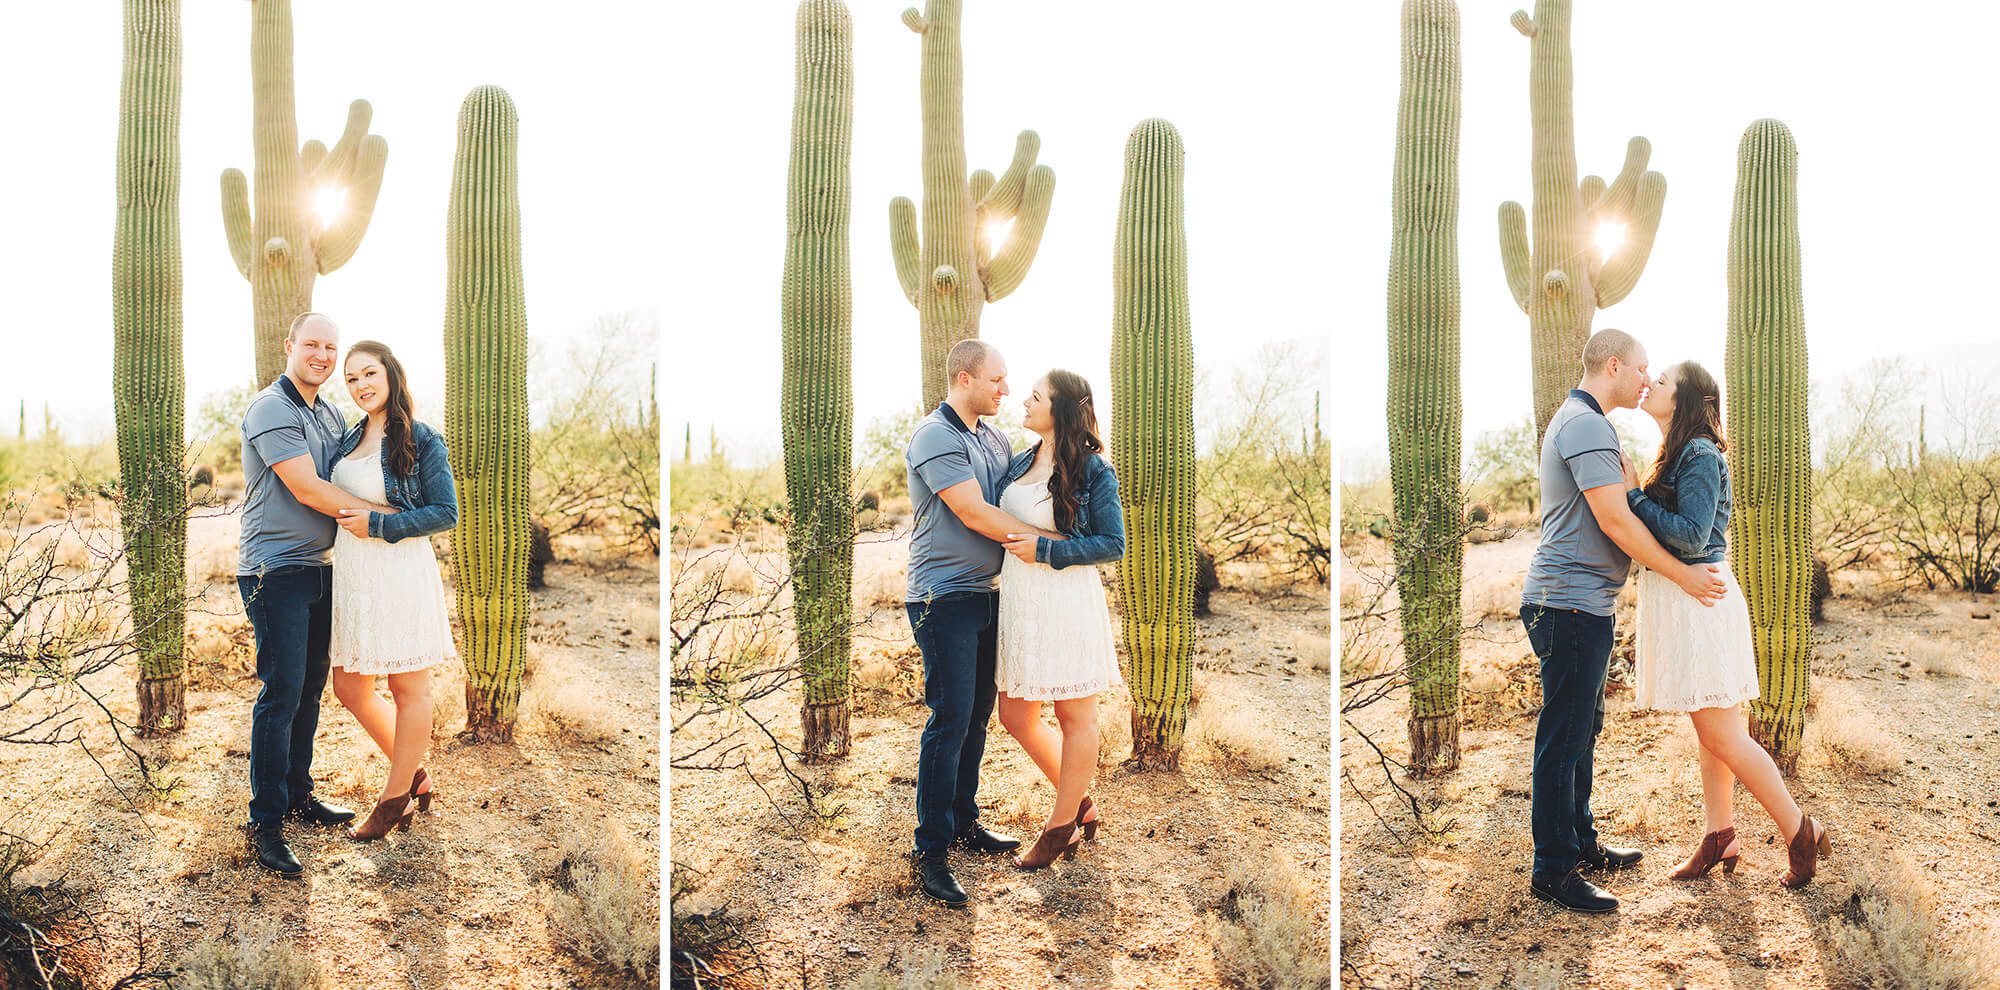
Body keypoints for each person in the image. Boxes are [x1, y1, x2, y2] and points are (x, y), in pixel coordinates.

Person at [1519, 328, 1727, 914]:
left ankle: (1580, 841)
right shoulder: (1585, 425)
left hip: (1583, 603)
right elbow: (1616, 521)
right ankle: (1553, 870)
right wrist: (1684, 574)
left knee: (1581, 730)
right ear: (1614, 365)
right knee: (1563, 737)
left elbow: (1620, 514)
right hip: (1569, 603)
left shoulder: (1585, 421)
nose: (1646, 379)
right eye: (1641, 369)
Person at [1624, 360, 1830, 887]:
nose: (1652, 384)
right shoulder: (1679, 452)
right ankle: (1721, 836)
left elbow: (1691, 537)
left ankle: (1800, 829)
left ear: (1688, 399)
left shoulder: (1696, 452)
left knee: (1720, 731)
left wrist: (1632, 499)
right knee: (1712, 728)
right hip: (1694, 599)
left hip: (1701, 601)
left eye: (1664, 380)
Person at [902, 340, 1063, 908]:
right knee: (949, 718)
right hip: (940, 597)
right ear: (965, 378)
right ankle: (931, 850)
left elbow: (1018, 495)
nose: (1005, 390)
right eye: (996, 380)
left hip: (988, 596)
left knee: (976, 715)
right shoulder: (936, 435)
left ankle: (965, 821)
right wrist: (1056, 546)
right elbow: (973, 511)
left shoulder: (991, 437)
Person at [236, 312, 393, 876]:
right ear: (290, 346)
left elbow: (348, 476)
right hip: (273, 570)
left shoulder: (326, 411)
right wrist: (393, 517)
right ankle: (266, 822)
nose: (323, 355)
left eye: (331, 346)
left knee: (308, 691)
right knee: (280, 693)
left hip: (322, 570)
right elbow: (306, 487)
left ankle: (299, 795)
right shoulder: (272, 408)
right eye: (313, 344)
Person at [326, 340, 461, 842]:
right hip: (356, 574)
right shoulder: (348, 438)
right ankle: (416, 776)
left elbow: (445, 512)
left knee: (408, 689)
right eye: (352, 379)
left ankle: (393, 800)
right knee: (350, 686)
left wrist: (381, 525)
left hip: (400, 570)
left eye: (369, 374)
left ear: (391, 375)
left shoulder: (420, 438)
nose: (361, 386)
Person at [992, 370, 1125, 870]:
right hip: (1022, 601)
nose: (1023, 401)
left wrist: (1046, 550)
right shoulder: (1019, 461)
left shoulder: (1093, 470)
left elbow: (1113, 543)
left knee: (1075, 717)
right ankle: (1083, 805)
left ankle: (1059, 828)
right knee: (1016, 715)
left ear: (1061, 408)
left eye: (1036, 396)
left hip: (1066, 599)